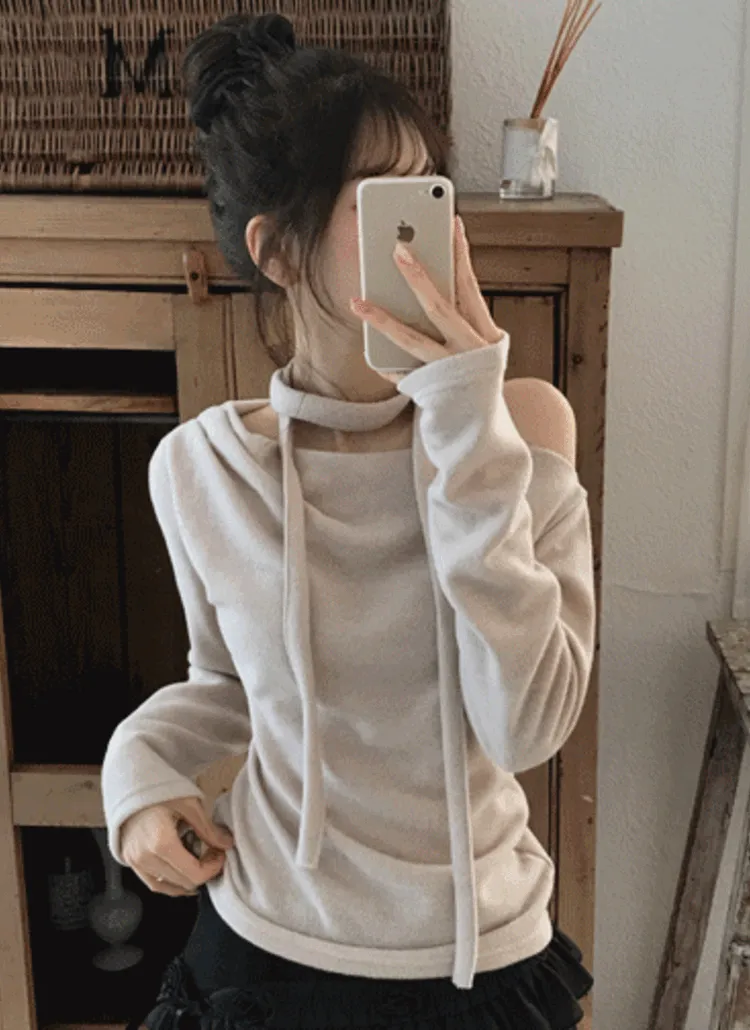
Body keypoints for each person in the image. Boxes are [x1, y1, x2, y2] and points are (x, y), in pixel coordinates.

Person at [101, 11, 597, 1030]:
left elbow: (528, 726)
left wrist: (468, 422)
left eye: (429, 191)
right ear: (276, 251)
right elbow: (229, 685)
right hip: (263, 949)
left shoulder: (525, 427)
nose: (421, 233)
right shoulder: (200, 467)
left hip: (482, 959)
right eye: (380, 201)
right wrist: (136, 772)